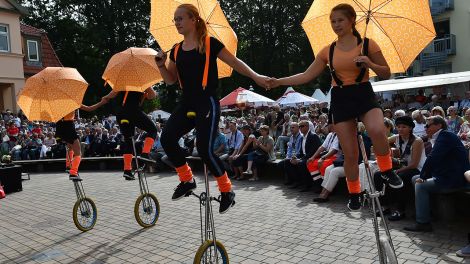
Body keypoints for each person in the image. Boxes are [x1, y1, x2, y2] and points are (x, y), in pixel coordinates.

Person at [267, 3, 402, 210]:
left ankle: (386, 170)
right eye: (333, 21)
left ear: (351, 21)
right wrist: (279, 81)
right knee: (350, 153)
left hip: (363, 91)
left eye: (340, 20)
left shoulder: (368, 44)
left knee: (377, 130)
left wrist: (369, 63)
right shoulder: (327, 50)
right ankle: (355, 193)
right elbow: (306, 75)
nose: (336, 24)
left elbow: (386, 73)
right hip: (340, 96)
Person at [155, 3, 268, 213]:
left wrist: (256, 76)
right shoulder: (176, 50)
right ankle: (187, 179)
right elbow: (170, 80)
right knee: (167, 138)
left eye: (180, 18)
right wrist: (161, 65)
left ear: (193, 20)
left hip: (206, 101)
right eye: (175, 19)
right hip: (186, 102)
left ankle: (227, 190)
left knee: (205, 149)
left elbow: (235, 63)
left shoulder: (209, 44)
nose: (177, 23)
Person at [404, 116, 470, 232]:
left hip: (454, 178)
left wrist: (423, 176)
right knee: (415, 178)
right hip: (445, 174)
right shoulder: (439, 136)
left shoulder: (445, 136)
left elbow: (433, 157)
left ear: (439, 125)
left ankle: (423, 223)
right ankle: (427, 211)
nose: (425, 127)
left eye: (428, 125)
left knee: (420, 184)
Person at [96, 85, 159, 180]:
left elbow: (113, 93)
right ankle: (145, 154)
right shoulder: (141, 81)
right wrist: (148, 93)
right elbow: (152, 96)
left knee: (128, 141)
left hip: (121, 114)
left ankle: (127, 170)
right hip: (133, 110)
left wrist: (106, 97)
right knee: (153, 130)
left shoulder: (124, 80)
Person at [374, 116, 426, 221]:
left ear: (410, 128)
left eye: (404, 127)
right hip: (403, 167)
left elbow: (415, 164)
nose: (400, 129)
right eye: (398, 127)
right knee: (378, 174)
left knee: (400, 178)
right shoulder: (397, 137)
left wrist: (397, 170)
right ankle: (384, 206)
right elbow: (379, 143)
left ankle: (400, 210)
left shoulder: (417, 141)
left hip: (417, 169)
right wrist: (386, 150)